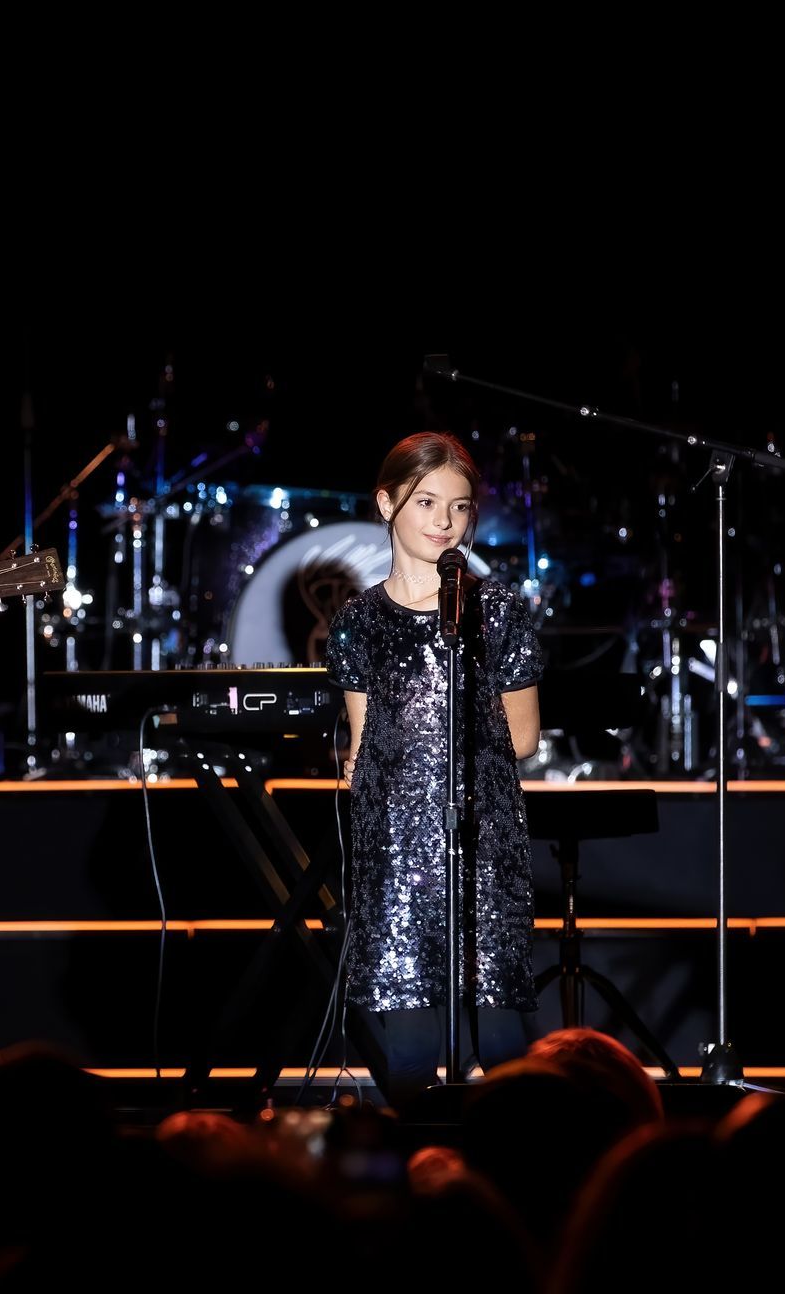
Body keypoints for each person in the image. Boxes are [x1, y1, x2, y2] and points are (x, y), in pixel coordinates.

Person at [323, 432, 543, 1114]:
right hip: (396, 856)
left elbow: (525, 735)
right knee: (409, 1050)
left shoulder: (496, 612)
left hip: (481, 848)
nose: (444, 520)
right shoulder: (358, 622)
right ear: (387, 503)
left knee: (502, 1045)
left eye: (459, 506)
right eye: (425, 502)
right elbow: (361, 745)